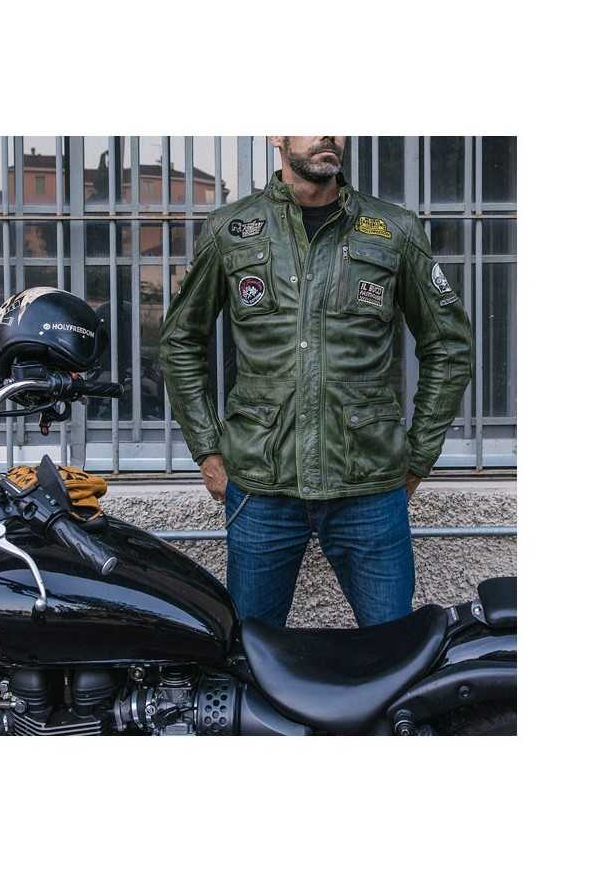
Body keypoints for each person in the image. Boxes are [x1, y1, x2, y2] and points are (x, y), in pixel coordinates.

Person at [157, 136, 473, 628]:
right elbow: (180, 341)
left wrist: (419, 457)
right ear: (275, 135)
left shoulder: (393, 229)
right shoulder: (231, 230)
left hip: (369, 484)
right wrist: (207, 451)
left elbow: (449, 346)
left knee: (394, 649)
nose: (329, 132)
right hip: (261, 484)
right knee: (252, 649)